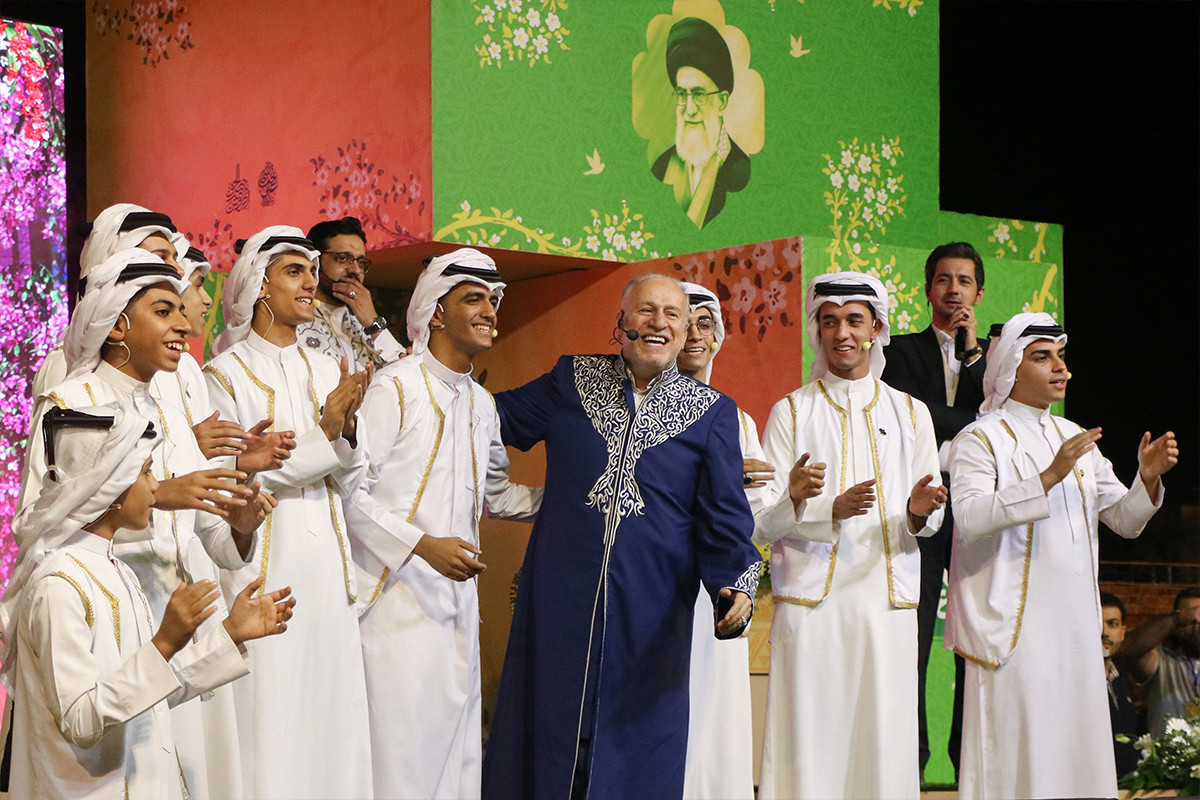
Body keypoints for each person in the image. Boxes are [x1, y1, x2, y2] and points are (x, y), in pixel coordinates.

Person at [481, 273, 762, 800]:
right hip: (559, 602)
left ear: (685, 331)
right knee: (548, 734)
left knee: (637, 747)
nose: (659, 323)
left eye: (672, 314)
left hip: (652, 611)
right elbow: (485, 417)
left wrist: (736, 584)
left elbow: (725, 519)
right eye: (646, 310)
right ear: (622, 321)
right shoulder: (571, 380)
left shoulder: (713, 414)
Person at [16, 247, 274, 798]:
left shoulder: (168, 409)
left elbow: (209, 538)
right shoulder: (72, 403)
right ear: (118, 326)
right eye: (164, 311)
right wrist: (158, 496)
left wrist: (241, 524)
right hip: (95, 617)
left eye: (182, 309)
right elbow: (42, 524)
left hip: (169, 616)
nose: (185, 325)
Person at [0, 403, 294, 800]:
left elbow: (148, 694)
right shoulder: (58, 584)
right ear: (110, 485)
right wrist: (165, 643)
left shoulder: (115, 570)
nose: (156, 487)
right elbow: (80, 719)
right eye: (146, 472)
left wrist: (228, 635)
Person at [945, 312, 1177, 800]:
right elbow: (969, 517)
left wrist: (1147, 479)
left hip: (1073, 627)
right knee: (1018, 753)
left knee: (1073, 753)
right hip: (1013, 628)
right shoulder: (980, 437)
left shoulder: (1074, 437)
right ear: (1011, 367)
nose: (1060, 368)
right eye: (1043, 357)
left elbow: (1124, 520)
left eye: (1061, 356)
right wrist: (1048, 477)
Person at [346, 248, 541, 799]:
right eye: (474, 299)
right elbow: (349, 495)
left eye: (493, 300)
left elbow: (498, 496)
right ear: (436, 312)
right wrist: (422, 546)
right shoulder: (395, 387)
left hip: (456, 609)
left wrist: (575, 499)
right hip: (392, 605)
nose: (489, 311)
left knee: (457, 760)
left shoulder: (482, 403)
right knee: (400, 760)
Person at [754, 272, 946, 800]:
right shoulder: (792, 410)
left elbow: (930, 517)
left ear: (876, 329)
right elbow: (760, 521)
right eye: (830, 321)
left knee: (882, 736)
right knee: (809, 736)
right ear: (817, 330)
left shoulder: (911, 412)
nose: (842, 332)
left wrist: (916, 513)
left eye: (855, 320)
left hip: (885, 601)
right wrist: (814, 505)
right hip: (812, 602)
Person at [203, 225, 374, 799]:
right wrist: (325, 435)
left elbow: (352, 476)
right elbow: (233, 481)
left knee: (333, 717)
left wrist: (346, 433)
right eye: (294, 271)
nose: (309, 283)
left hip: (328, 572)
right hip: (265, 573)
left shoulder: (328, 369)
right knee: (272, 720)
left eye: (310, 271)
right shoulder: (223, 375)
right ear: (259, 285)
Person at [882, 240, 987, 778]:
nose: (953, 290)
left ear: (979, 293)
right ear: (927, 290)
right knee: (916, 633)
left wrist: (973, 357)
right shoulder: (899, 351)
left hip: (978, 506)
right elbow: (911, 414)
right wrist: (972, 422)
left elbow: (997, 414)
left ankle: (970, 760)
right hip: (920, 502)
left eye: (964, 281)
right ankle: (913, 759)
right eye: (944, 280)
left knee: (977, 634)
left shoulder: (992, 360)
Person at [675, 281, 770, 800]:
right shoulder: (638, 406)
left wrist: (793, 498)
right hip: (660, 579)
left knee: (717, 709)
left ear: (718, 338)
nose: (694, 334)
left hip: (719, 587)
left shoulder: (738, 420)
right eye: (683, 322)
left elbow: (754, 522)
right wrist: (723, 479)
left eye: (705, 323)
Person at [30, 203, 182, 401]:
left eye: (174, 258)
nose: (179, 270)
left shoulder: (177, 362)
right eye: (160, 257)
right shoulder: (62, 363)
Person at [650, 17, 750, 230]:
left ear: (722, 102)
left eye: (698, 95)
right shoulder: (662, 168)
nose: (689, 109)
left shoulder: (741, 172)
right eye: (681, 94)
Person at [296, 216, 403, 369]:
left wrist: (373, 323)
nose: (356, 270)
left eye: (361, 262)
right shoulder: (295, 321)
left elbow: (408, 376)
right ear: (315, 262)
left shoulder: (365, 326)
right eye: (343, 258)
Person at [1118, 586, 1200, 736]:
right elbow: (1127, 648)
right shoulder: (1163, 662)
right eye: (1190, 620)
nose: (1197, 626)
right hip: (1168, 751)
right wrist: (1177, 619)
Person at [1101, 591, 1146, 777]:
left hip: (1128, 783)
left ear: (1122, 633)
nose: (1104, 633)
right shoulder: (1073, 681)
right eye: (1097, 624)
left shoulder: (1121, 675)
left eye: (1112, 624)